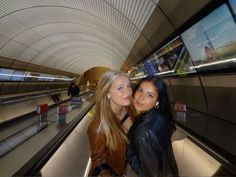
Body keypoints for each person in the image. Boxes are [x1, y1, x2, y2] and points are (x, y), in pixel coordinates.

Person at [126, 75, 179, 177]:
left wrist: (128, 150)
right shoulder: (162, 116)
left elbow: (146, 173)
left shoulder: (142, 135)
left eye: (150, 95)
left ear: (157, 101)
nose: (141, 97)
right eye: (140, 90)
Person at [87, 70, 134, 176]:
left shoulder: (129, 109)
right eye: (120, 88)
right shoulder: (98, 128)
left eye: (128, 86)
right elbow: (98, 162)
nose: (128, 92)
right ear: (107, 93)